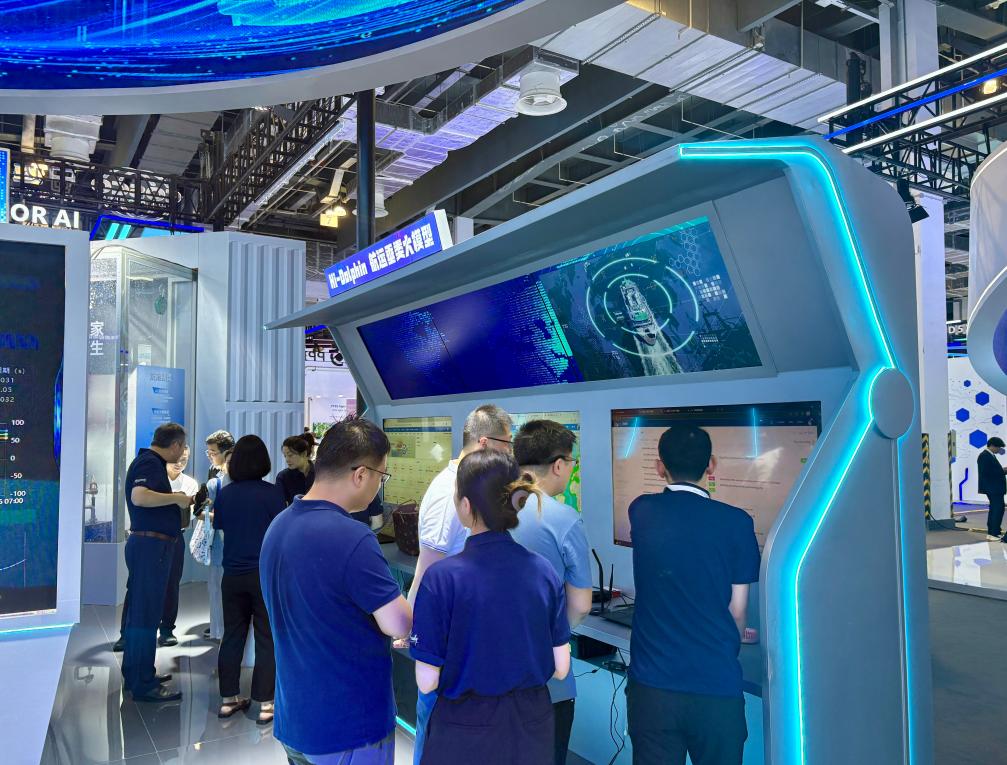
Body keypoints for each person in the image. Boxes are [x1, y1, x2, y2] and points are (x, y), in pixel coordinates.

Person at [260, 416, 412, 765]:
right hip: (348, 726)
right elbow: (399, 624)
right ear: (361, 475)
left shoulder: (279, 525)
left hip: (296, 719)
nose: (379, 486)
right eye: (381, 476)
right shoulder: (352, 537)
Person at [410, 450, 571, 765]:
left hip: (465, 731)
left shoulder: (441, 578)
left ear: (465, 505)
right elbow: (561, 667)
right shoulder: (543, 571)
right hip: (531, 729)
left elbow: (427, 681)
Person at [626, 424, 760, 765]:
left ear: (659, 467)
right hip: (716, 686)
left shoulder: (641, 510)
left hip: (653, 689)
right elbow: (738, 611)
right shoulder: (737, 522)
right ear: (711, 465)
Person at [405, 403, 514, 763]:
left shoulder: (471, 485)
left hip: (467, 632)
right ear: (484, 442)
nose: (510, 453)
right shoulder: (449, 490)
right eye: (506, 444)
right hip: (447, 635)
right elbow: (428, 568)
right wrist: (413, 623)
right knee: (436, 730)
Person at [511, 420, 593, 765]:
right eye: (572, 462)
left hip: (488, 669)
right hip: (545, 677)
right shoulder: (562, 518)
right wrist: (555, 638)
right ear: (559, 465)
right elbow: (582, 604)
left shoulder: (488, 509)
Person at [213, 435, 285, 725]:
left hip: (232, 575)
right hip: (263, 576)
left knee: (232, 635)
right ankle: (266, 704)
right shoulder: (272, 494)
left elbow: (221, 531)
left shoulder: (226, 494)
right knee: (267, 637)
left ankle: (228, 699)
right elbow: (280, 535)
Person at [121, 423, 193, 703]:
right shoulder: (149, 463)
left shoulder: (148, 462)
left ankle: (137, 674)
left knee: (142, 614)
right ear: (174, 445)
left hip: (150, 547)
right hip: (151, 548)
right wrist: (177, 499)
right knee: (146, 615)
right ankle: (143, 683)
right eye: (182, 447)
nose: (182, 452)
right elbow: (139, 497)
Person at [112, 446, 197, 652]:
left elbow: (191, 513)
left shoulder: (190, 483)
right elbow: (139, 498)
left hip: (175, 536)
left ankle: (166, 629)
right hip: (148, 538)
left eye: (184, 460)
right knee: (137, 585)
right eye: (177, 457)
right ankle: (127, 634)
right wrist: (176, 498)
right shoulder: (153, 472)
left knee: (171, 584)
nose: (179, 462)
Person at [194, 430, 235, 640]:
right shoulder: (245, 481)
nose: (210, 456)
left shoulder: (216, 483)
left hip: (220, 546)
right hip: (240, 547)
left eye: (213, 452)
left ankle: (220, 632)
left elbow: (206, 514)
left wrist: (202, 512)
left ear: (226, 453)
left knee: (218, 590)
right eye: (208, 452)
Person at [202, 448, 233, 641]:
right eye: (229, 461)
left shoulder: (251, 486)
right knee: (218, 592)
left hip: (244, 551)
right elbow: (201, 513)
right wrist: (222, 517)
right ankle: (220, 633)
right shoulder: (216, 484)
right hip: (220, 550)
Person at [978, 436, 1007, 541]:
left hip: (995, 488)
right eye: (998, 447)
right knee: (996, 509)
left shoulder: (990, 455)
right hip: (993, 488)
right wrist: (1003, 471)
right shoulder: (984, 456)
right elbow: (986, 473)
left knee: (997, 509)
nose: (999, 450)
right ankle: (992, 533)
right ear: (992, 446)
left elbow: (993, 471)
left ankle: (995, 531)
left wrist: (1002, 470)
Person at [276, 434, 316, 506]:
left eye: (290, 455)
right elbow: (280, 505)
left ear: (304, 453)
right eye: (285, 456)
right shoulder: (283, 477)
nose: (287, 460)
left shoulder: (321, 474)